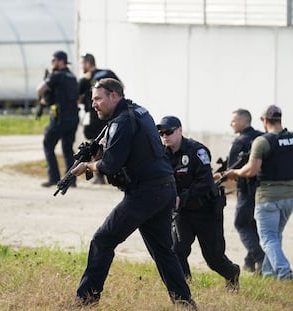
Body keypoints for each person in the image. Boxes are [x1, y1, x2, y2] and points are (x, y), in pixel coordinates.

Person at [71, 79, 196, 309]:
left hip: (145, 193)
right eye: (92, 99)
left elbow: (109, 165)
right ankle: (185, 303)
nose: (94, 104)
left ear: (114, 96)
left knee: (103, 240)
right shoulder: (138, 111)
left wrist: (87, 166)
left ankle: (85, 301)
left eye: (98, 99)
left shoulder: (121, 122)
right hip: (163, 189)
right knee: (163, 251)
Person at [157, 116, 240, 292]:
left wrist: (182, 197)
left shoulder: (196, 150)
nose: (165, 136)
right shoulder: (161, 153)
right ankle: (184, 286)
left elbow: (206, 182)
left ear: (179, 130)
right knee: (177, 250)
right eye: (162, 133)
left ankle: (232, 273)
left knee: (214, 258)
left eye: (169, 132)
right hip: (183, 212)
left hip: (206, 211)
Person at [224, 105, 293, 280]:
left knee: (268, 238)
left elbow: (251, 170)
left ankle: (284, 272)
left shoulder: (263, 141)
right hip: (289, 197)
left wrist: (235, 173)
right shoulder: (291, 139)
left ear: (264, 121)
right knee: (275, 236)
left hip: (268, 197)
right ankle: (268, 274)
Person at [226, 109, 264, 273]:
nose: (231, 124)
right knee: (252, 224)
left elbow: (231, 172)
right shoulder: (263, 137)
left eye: (233, 121)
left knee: (241, 222)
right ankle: (250, 262)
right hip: (264, 189)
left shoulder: (239, 141)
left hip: (247, 189)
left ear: (243, 122)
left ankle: (260, 258)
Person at [37, 51, 79, 187]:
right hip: (72, 117)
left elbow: (40, 89)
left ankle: (53, 177)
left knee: (48, 145)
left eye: (54, 60)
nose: (52, 63)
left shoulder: (56, 76)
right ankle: (71, 180)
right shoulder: (72, 76)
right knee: (67, 148)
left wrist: (45, 97)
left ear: (61, 61)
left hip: (59, 118)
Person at [78, 53, 120, 184]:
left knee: (95, 143)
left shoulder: (86, 79)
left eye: (82, 64)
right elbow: (120, 88)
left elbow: (77, 97)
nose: (82, 67)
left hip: (96, 116)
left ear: (87, 63)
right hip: (112, 114)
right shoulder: (108, 73)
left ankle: (99, 175)